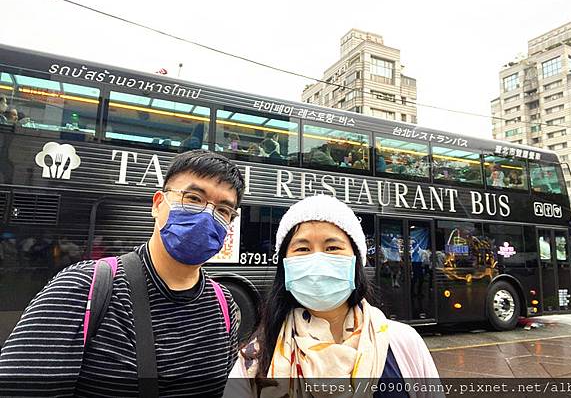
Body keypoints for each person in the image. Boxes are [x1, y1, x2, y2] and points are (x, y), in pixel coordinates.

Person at [0, 150, 243, 397]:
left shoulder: (224, 307)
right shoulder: (81, 289)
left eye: (223, 211)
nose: (206, 215)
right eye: (193, 198)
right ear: (158, 204)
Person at [226, 195, 439, 397]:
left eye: (332, 247)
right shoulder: (255, 359)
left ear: (356, 262)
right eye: (302, 249)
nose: (318, 258)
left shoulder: (403, 342)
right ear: (285, 265)